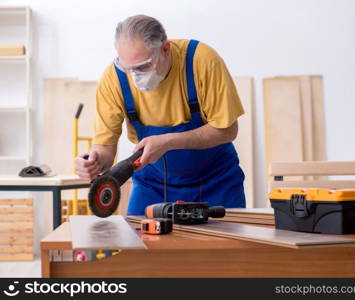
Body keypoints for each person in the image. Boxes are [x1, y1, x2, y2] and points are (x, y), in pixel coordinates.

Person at [75, 15, 246, 215]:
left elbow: (227, 130)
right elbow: (105, 148)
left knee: (227, 246)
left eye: (143, 66)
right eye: (127, 69)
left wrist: (167, 142)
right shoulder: (113, 79)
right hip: (152, 185)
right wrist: (94, 162)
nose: (135, 77)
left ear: (165, 49)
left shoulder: (201, 61)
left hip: (216, 181)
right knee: (139, 244)